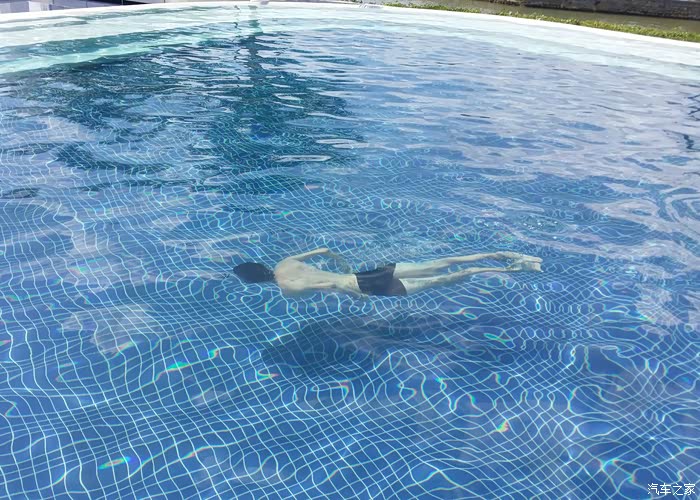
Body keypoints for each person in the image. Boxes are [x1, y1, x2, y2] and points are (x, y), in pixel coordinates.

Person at [232, 248, 542, 297]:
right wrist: (344, 265)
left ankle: (504, 268)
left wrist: (356, 298)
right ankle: (504, 255)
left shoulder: (287, 287)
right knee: (442, 263)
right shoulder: (285, 262)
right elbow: (325, 251)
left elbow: (333, 287)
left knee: (444, 279)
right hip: (368, 273)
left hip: (368, 288)